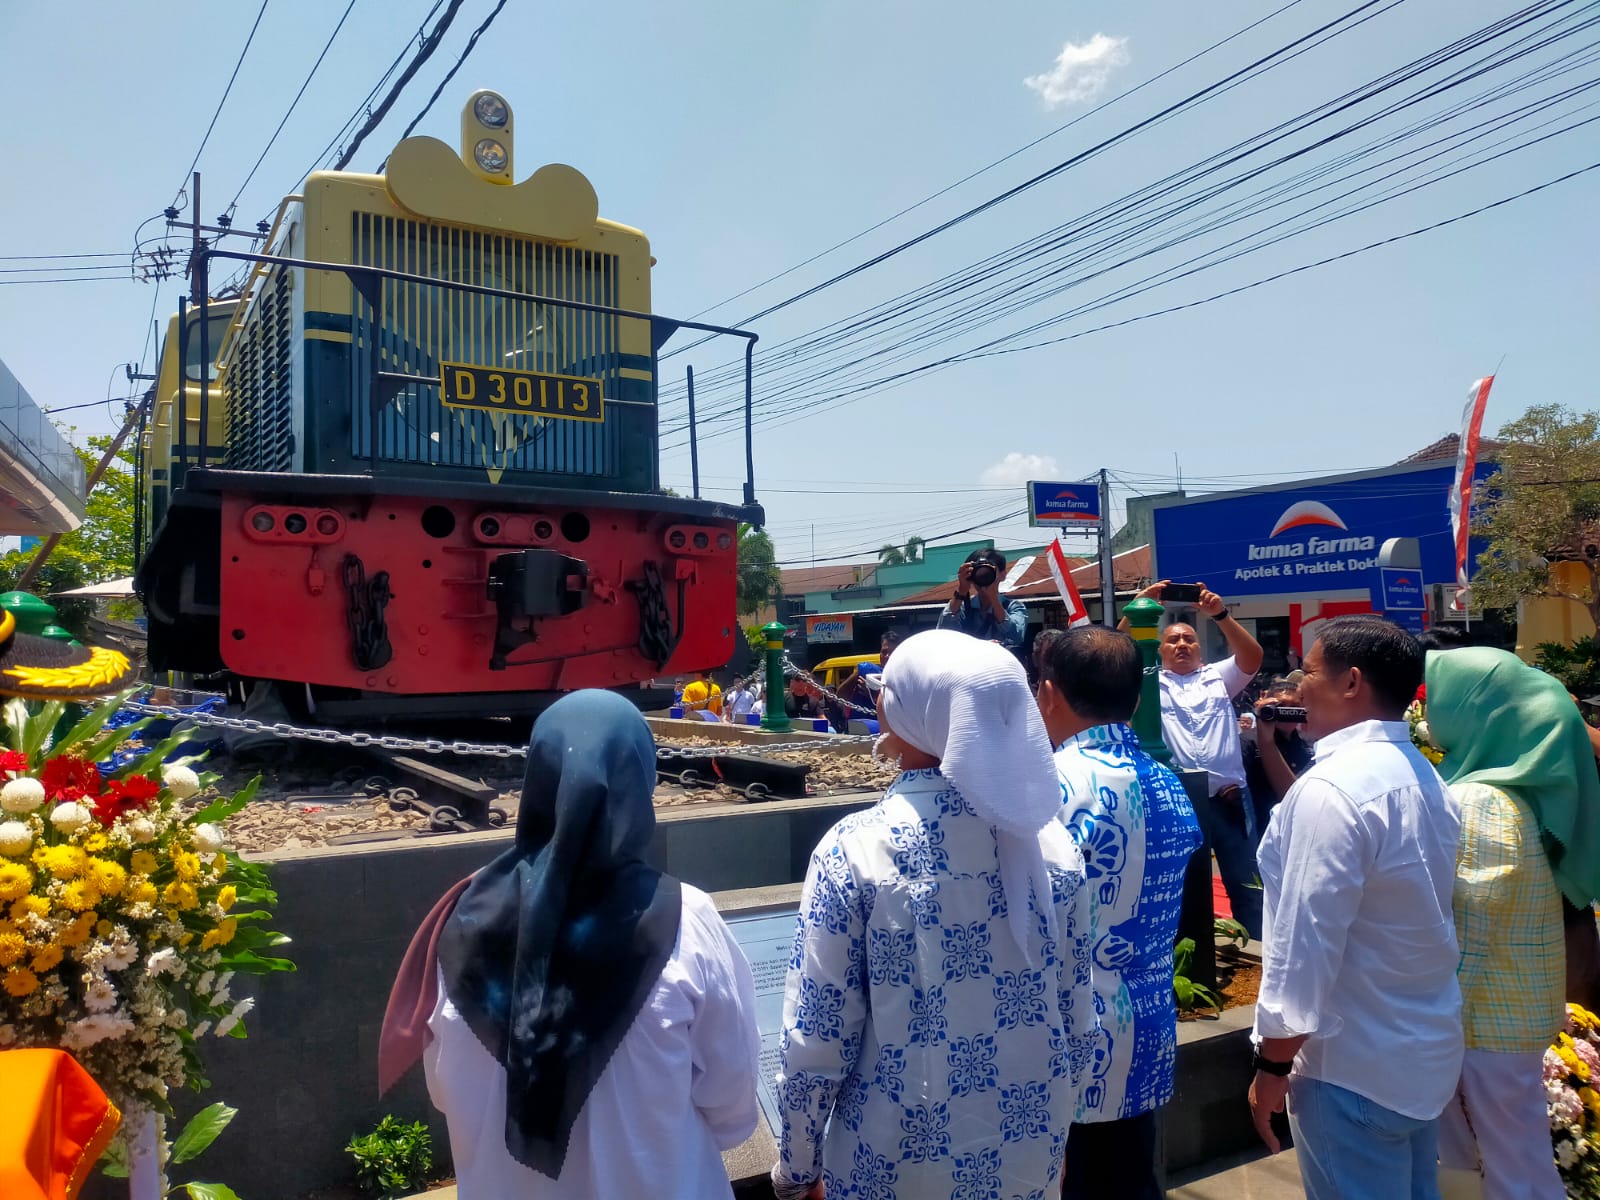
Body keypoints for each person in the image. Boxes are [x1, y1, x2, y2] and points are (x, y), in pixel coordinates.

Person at [378, 691, 762, 1198]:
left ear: (539, 775)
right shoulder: (686, 921)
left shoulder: (462, 921)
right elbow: (731, 1107)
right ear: (638, 783)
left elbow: (446, 1092)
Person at [770, 629, 1096, 1200]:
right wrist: (1056, 1141)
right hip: (1028, 1158)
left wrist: (797, 1172)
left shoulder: (855, 850)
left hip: (893, 1167)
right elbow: (1077, 1017)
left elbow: (816, 1040)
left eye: (886, 694)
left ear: (912, 714)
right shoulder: (1052, 843)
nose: (877, 703)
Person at [1248, 617, 1462, 1200]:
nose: (1295, 690)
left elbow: (1304, 948)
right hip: (1420, 1056)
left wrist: (1272, 1066)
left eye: (1308, 673)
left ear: (1352, 683)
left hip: (1350, 1069)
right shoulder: (1424, 775)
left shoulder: (1332, 790)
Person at [1036, 627, 1202, 1200]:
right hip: (1146, 1034)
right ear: (1135, 700)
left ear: (1048, 694)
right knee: (1131, 1180)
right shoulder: (1170, 784)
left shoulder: (1045, 788)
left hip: (1060, 1047)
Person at [1427, 647, 1584, 1200]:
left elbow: (1471, 917)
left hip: (1482, 1020)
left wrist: (1434, 1013)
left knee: (1511, 1170)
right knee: (1505, 1160)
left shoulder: (1479, 799)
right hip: (1506, 1014)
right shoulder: (1518, 787)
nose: (1427, 706)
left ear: (1477, 710)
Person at [1127, 580, 1265, 938]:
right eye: (1172, 640)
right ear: (1158, 649)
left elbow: (1253, 657)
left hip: (1229, 800)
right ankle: (1194, 961)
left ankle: (1260, 956)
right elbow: (1117, 650)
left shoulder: (1218, 677)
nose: (1182, 644)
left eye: (1189, 639)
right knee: (1186, 888)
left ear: (1201, 649)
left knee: (1247, 887)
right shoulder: (1148, 682)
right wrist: (1138, 604)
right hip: (1180, 799)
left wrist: (1219, 614)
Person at [1243, 679, 1313, 845]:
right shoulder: (1248, 742)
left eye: (1295, 707)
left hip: (1298, 825)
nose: (1288, 712)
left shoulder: (1309, 744)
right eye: (1282, 706)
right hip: (1261, 825)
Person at [937, 548, 1027, 649]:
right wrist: (962, 590)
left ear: (1002, 575)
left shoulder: (1013, 606)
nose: (983, 576)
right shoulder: (963, 607)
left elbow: (1016, 637)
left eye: (988, 572)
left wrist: (994, 599)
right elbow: (943, 632)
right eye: (978, 572)